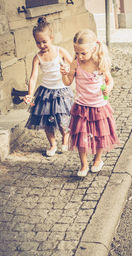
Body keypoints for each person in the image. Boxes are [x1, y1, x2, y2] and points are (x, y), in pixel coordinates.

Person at [60, 29, 120, 177]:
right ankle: (83, 164)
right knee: (81, 137)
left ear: (93, 48)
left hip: (99, 106)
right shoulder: (76, 64)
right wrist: (64, 74)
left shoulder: (100, 62)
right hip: (81, 107)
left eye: (83, 53)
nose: (79, 56)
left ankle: (97, 160)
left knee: (100, 135)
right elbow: (68, 82)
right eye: (76, 52)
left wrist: (108, 89)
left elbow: (109, 80)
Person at [24, 16, 73, 156]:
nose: (41, 45)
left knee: (63, 119)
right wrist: (30, 94)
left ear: (51, 37)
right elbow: (33, 77)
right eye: (38, 43)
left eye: (44, 41)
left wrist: (68, 70)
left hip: (61, 91)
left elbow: (73, 65)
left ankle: (65, 137)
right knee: (47, 121)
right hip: (45, 93)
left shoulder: (60, 51)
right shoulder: (37, 57)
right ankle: (52, 144)